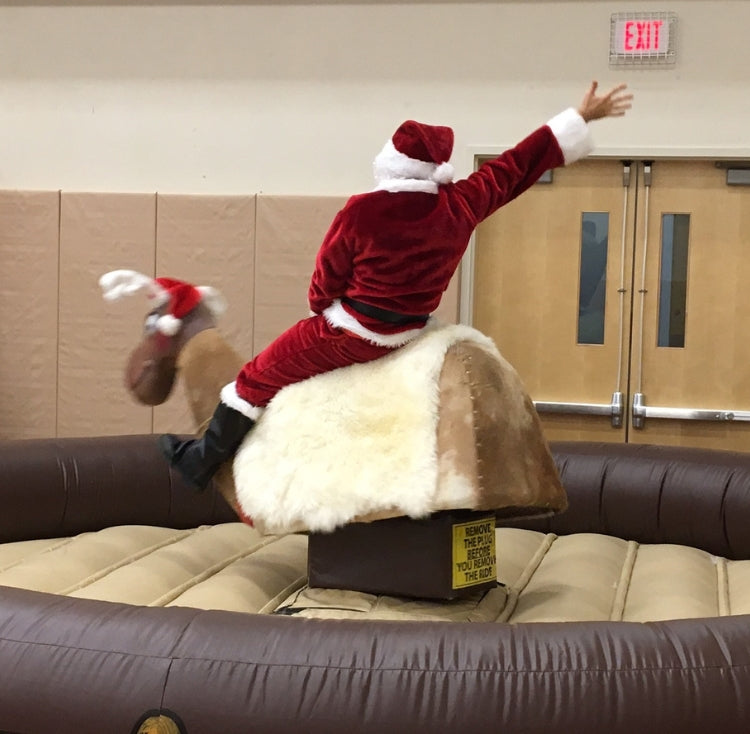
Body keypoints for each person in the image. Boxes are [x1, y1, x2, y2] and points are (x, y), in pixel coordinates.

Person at [159, 80, 633, 490]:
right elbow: (514, 167)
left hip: (354, 331)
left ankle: (200, 464)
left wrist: (319, 310)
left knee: (254, 378)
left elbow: (325, 279)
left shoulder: (363, 210)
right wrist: (577, 117)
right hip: (412, 329)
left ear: (389, 163)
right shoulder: (461, 203)